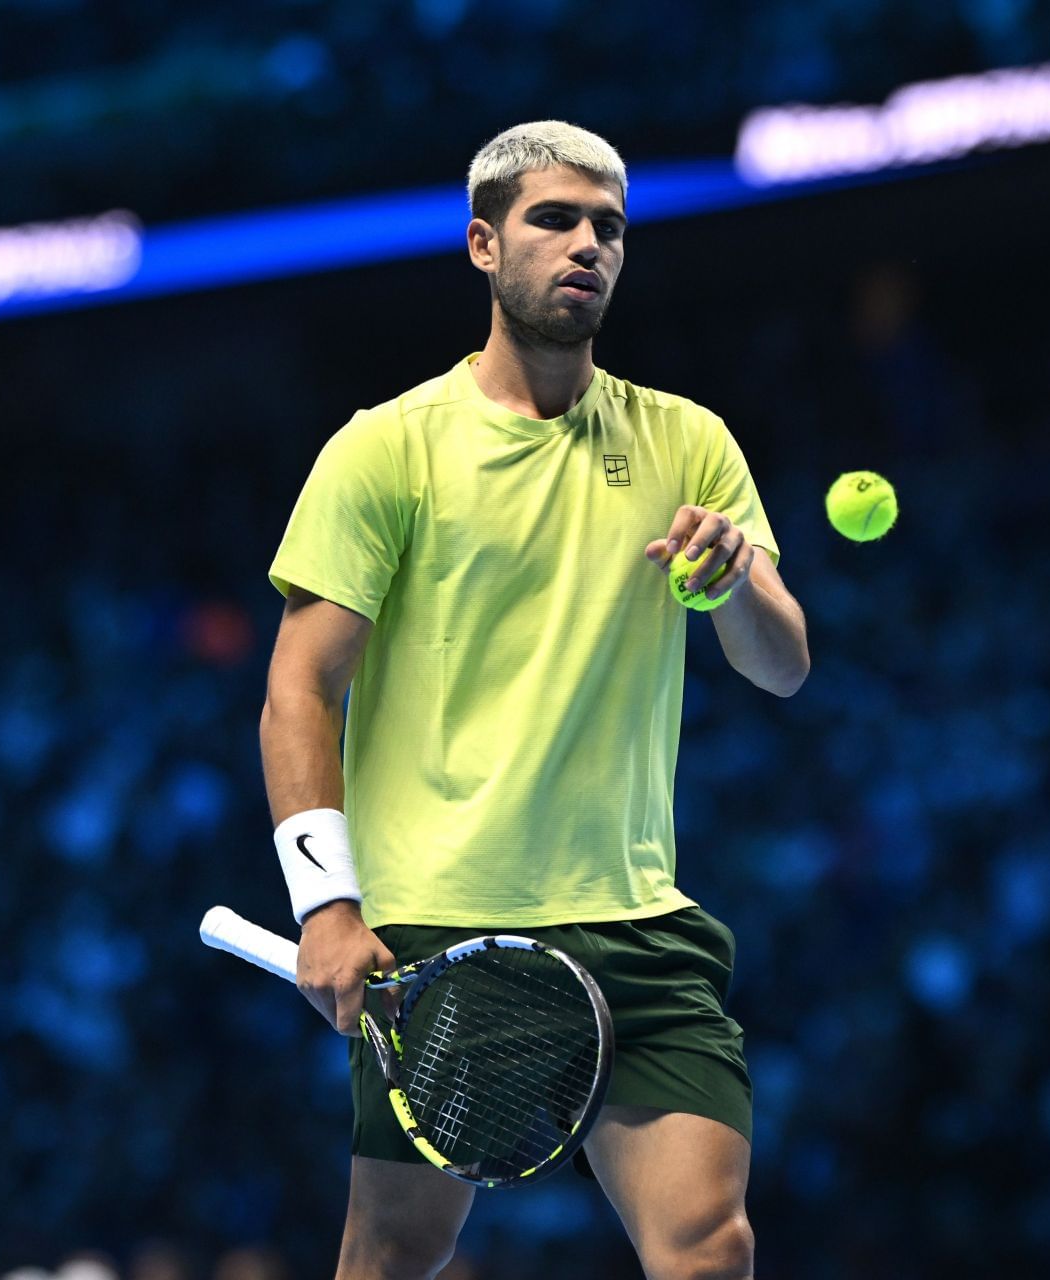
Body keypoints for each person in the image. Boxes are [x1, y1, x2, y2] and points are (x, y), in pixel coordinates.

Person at [258, 120, 809, 1280]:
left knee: (712, 1245)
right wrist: (326, 903)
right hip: (446, 930)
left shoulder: (688, 441)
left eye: (609, 227)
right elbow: (300, 686)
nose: (587, 246)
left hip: (638, 919)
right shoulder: (387, 449)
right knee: (395, 1249)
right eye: (555, 219)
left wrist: (736, 585)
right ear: (481, 244)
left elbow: (783, 662)